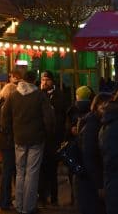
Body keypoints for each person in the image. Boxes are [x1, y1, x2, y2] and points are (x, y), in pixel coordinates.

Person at [1, 70, 55, 214]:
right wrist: (47, 133)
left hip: (18, 138)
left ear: (23, 80)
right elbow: (48, 118)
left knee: (20, 172)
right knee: (32, 172)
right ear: (34, 80)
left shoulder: (13, 96)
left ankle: (19, 204)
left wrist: (9, 133)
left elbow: (4, 116)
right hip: (36, 138)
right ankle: (28, 206)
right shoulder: (40, 96)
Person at [77, 93, 111, 214]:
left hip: (89, 179)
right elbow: (90, 156)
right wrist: (99, 184)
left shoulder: (94, 121)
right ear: (96, 106)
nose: (106, 111)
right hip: (90, 181)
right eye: (104, 107)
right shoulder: (93, 124)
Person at [39, 70, 68, 207]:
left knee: (52, 169)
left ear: (52, 81)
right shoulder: (38, 95)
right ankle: (42, 196)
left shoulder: (59, 96)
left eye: (47, 80)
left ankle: (54, 197)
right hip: (41, 139)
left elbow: (61, 116)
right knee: (41, 169)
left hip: (54, 139)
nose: (44, 82)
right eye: (42, 80)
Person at [0, 82, 17, 210]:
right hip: (9, 141)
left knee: (8, 170)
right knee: (9, 171)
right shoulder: (7, 106)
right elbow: (6, 125)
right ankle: (5, 201)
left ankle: (6, 200)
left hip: (3, 141)